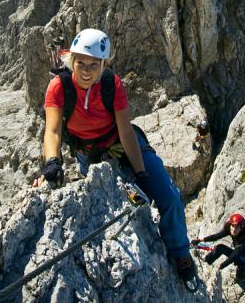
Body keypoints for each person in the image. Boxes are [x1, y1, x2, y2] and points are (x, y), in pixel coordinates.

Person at [32, 28, 197, 283]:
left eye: (94, 65)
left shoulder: (112, 84)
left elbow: (126, 131)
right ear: (72, 60)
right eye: (81, 63)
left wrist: (141, 172)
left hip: (121, 142)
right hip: (90, 155)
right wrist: (52, 164)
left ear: (103, 65)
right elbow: (52, 131)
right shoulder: (59, 87)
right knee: (113, 208)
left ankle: (180, 252)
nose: (86, 70)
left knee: (170, 198)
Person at [192, 213, 245, 282]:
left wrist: (221, 266)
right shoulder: (229, 228)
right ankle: (207, 261)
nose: (234, 229)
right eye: (233, 226)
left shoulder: (244, 239)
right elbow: (217, 236)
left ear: (241, 229)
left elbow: (234, 256)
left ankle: (241, 278)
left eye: (237, 227)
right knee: (220, 247)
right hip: (238, 251)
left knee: (242, 262)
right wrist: (199, 240)